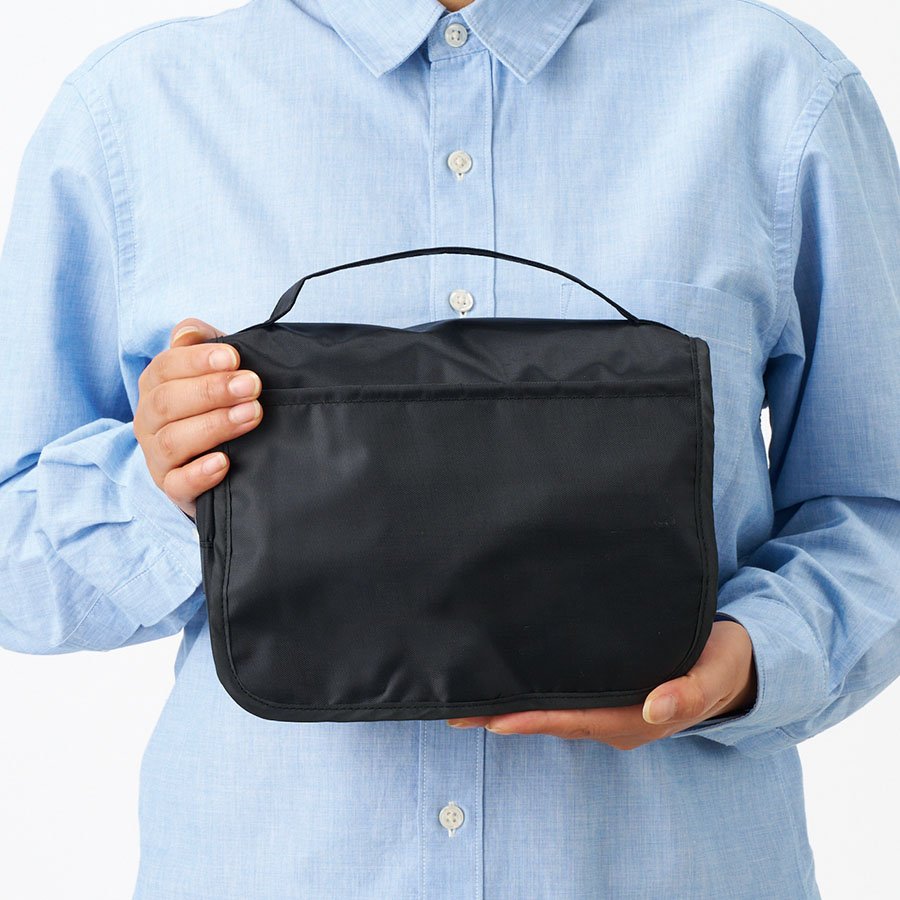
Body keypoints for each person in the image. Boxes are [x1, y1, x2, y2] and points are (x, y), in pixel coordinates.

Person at [1, 0, 898, 896]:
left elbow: (877, 508)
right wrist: (163, 489)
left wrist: (747, 661)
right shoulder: (134, 110)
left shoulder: (777, 89)